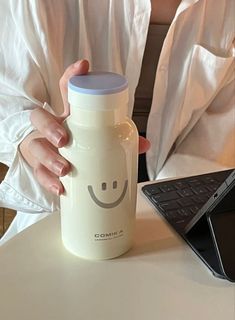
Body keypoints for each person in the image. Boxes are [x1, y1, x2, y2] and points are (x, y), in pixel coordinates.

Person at [0, 0, 234, 243]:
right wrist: (31, 140)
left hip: (188, 199)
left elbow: (218, 139)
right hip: (60, 207)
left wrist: (164, 207)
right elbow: (7, 96)